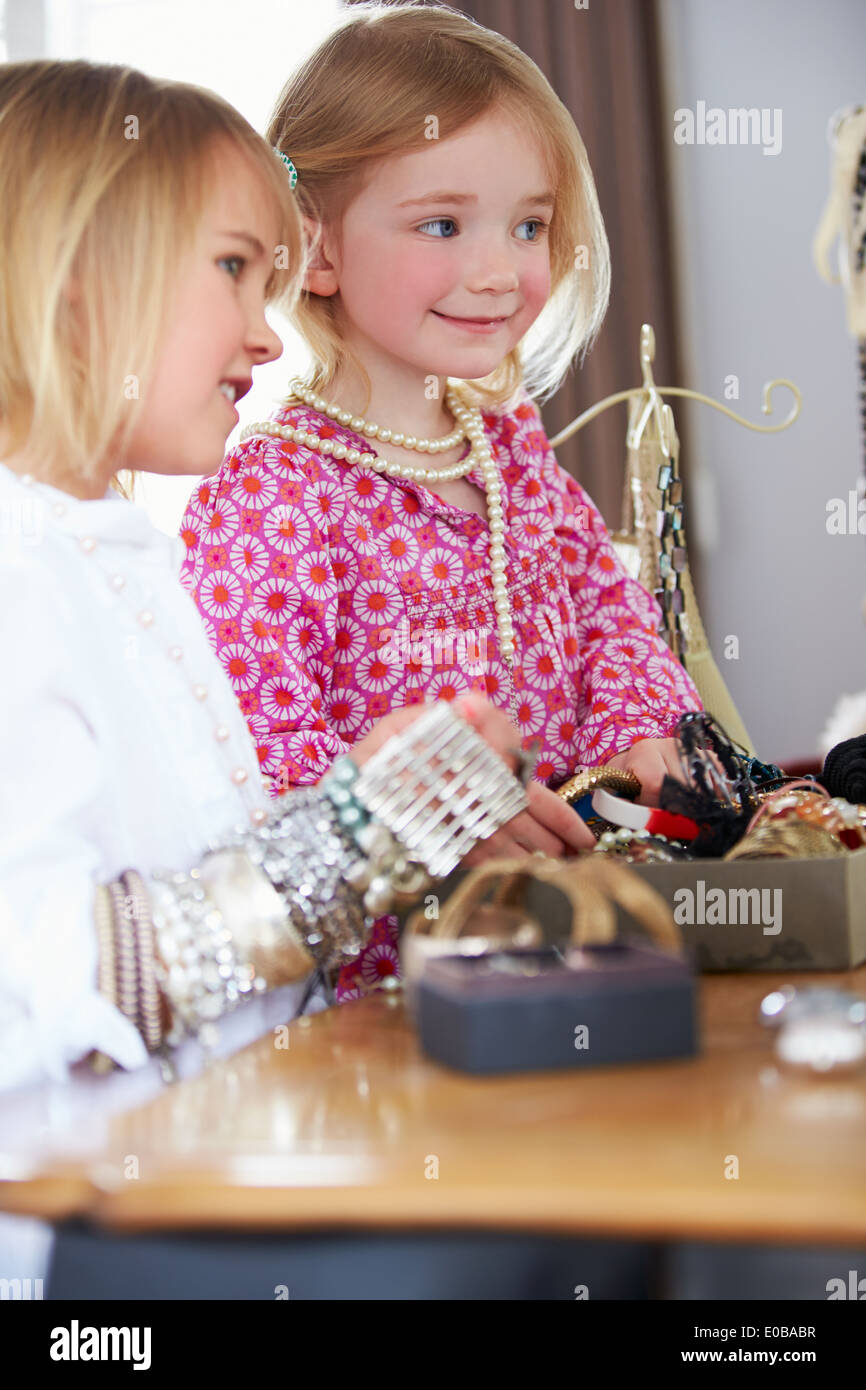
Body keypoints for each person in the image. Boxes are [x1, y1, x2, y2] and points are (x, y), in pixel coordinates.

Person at [0, 57, 563, 1093]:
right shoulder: (18, 581)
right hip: (96, 1226)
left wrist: (378, 796)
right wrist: (363, 832)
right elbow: (46, 993)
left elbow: (205, 894)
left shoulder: (112, 559)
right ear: (71, 279)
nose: (264, 331)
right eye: (229, 268)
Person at [177, 2, 703, 997]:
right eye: (441, 224)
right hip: (367, 1006)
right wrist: (425, 810)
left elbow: (610, 621)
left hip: (559, 951)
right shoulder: (273, 495)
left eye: (529, 225)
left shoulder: (511, 452)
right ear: (316, 248)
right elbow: (257, 772)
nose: (498, 270)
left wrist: (639, 742)